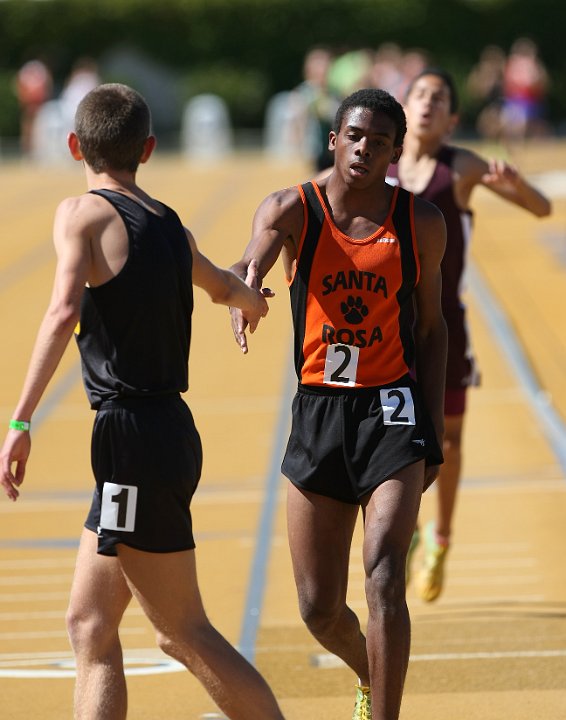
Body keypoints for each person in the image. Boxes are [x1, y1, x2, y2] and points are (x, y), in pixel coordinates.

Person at [0, 83, 286, 720]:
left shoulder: (81, 213)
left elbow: (61, 311)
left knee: (180, 630)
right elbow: (226, 289)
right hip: (164, 433)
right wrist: (253, 302)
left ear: (74, 145)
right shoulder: (170, 226)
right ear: (149, 149)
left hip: (132, 443)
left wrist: (20, 419)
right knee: (90, 625)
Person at [230, 88, 448, 720]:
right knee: (318, 607)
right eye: (355, 136)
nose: (364, 149)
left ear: (395, 151)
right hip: (319, 413)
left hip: (392, 413)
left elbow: (432, 331)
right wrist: (249, 288)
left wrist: (433, 432)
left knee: (384, 572)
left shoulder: (419, 222)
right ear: (334, 139)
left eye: (380, 142)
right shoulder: (295, 208)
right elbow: (255, 255)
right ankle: (367, 673)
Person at [386, 68, 551, 602]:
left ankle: (441, 537)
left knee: (448, 440)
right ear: (404, 105)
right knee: (393, 440)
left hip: (444, 327)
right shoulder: (378, 166)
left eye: (439, 98)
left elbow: (540, 208)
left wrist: (516, 182)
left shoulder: (460, 167)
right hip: (387, 327)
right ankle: (402, 530)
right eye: (420, 95)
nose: (429, 104)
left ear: (453, 117)